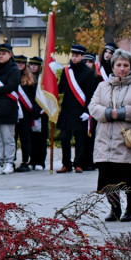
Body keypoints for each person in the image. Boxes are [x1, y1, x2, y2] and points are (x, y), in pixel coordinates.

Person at [89, 50, 131, 221]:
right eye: (119, 65)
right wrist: (110, 113)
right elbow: (93, 107)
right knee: (108, 179)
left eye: (126, 65)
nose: (122, 68)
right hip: (106, 141)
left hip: (128, 141)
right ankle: (115, 209)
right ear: (113, 66)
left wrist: (121, 113)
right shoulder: (103, 86)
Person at [58, 44, 99, 173]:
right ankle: (66, 164)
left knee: (80, 139)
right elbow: (60, 89)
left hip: (81, 110)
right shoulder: (66, 71)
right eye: (73, 55)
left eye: (77, 56)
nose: (74, 58)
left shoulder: (88, 73)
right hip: (67, 110)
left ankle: (79, 164)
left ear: (82, 57)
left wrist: (88, 111)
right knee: (65, 138)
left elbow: (90, 94)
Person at [0, 43, 21, 174]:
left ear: (10, 55)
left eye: (3, 54)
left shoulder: (13, 69)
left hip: (8, 107)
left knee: (8, 137)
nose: (0, 56)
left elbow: (11, 86)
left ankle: (9, 162)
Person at [26, 56, 49, 170]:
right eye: (31, 64)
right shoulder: (27, 78)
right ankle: (32, 160)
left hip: (41, 112)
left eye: (36, 65)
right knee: (31, 138)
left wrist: (39, 111)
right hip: (30, 112)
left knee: (41, 138)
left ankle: (40, 161)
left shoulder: (44, 79)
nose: (33, 66)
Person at [14, 53, 34, 172]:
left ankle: (25, 161)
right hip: (14, 111)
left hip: (26, 113)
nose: (19, 65)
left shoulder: (30, 79)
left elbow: (34, 98)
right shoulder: (12, 76)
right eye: (18, 63)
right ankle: (12, 160)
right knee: (13, 137)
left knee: (25, 138)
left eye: (22, 63)